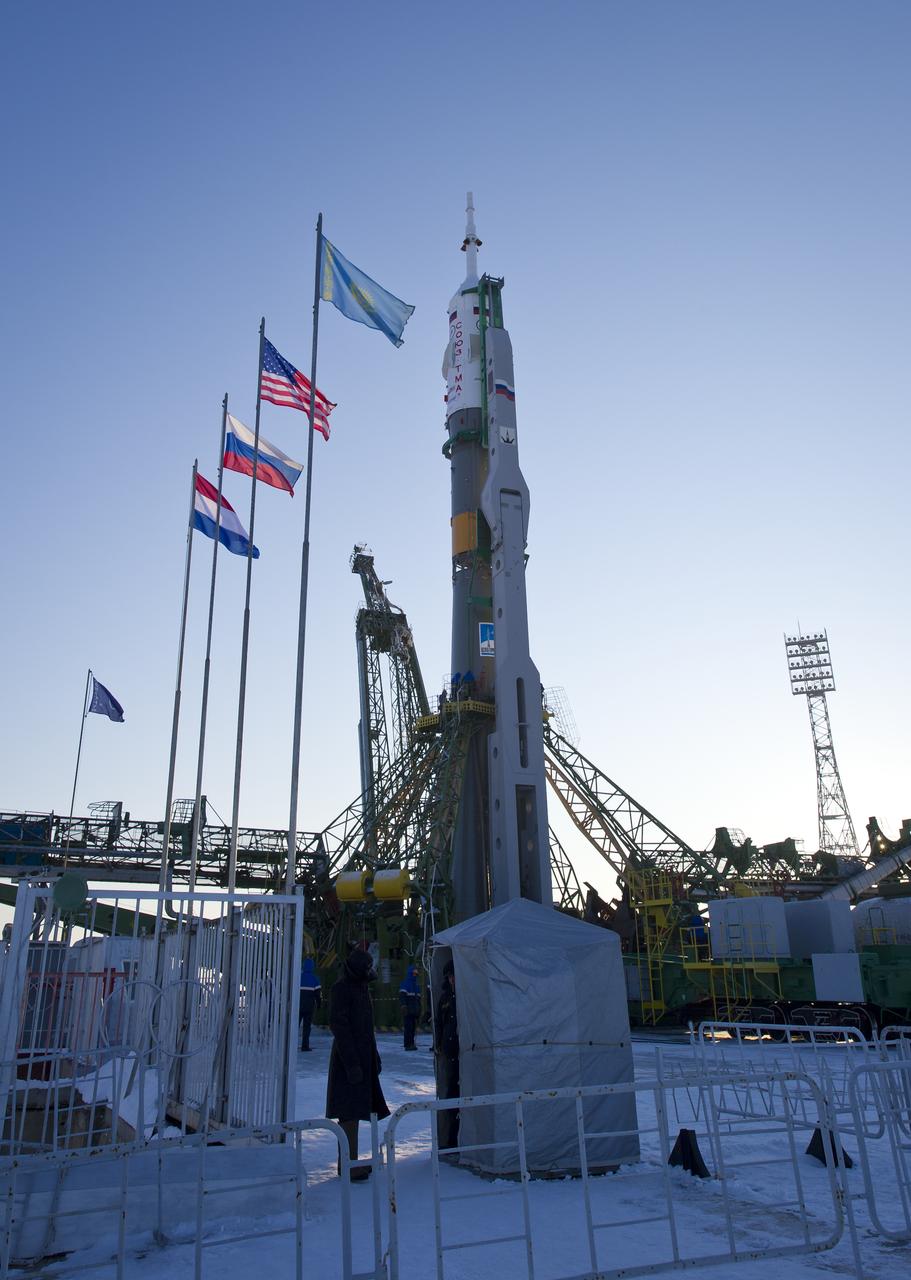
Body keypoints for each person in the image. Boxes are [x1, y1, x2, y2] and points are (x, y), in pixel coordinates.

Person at [326, 948, 389, 1181]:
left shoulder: (361, 988)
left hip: (363, 1058)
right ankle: (348, 1165)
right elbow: (340, 1027)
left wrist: (375, 1057)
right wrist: (352, 1064)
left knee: (355, 1110)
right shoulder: (342, 989)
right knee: (348, 1113)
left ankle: (350, 1162)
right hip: (348, 1060)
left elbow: (366, 1030)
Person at [434, 960, 460, 1150]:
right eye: (450, 977)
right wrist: (439, 1044)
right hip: (449, 1053)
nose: (452, 980)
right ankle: (450, 1140)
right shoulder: (445, 999)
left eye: (454, 976)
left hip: (465, 1053)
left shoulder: (465, 996)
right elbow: (439, 1023)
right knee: (451, 1095)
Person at [298, 956, 321, 1051]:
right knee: (307, 1027)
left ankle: (290, 1044)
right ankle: (305, 1046)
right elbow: (318, 994)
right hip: (309, 1006)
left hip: (298, 1006)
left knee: (295, 1026)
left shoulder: (298, 977)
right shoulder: (315, 979)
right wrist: (319, 1004)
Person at [399, 964, 421, 1050]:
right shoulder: (405, 984)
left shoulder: (416, 986)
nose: (415, 975)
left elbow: (418, 1000)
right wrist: (403, 1006)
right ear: (410, 973)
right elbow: (402, 996)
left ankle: (411, 1043)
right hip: (408, 1011)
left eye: (416, 974)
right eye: (414, 973)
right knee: (408, 1028)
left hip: (414, 1011)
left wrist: (419, 1010)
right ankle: (408, 1044)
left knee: (413, 1028)